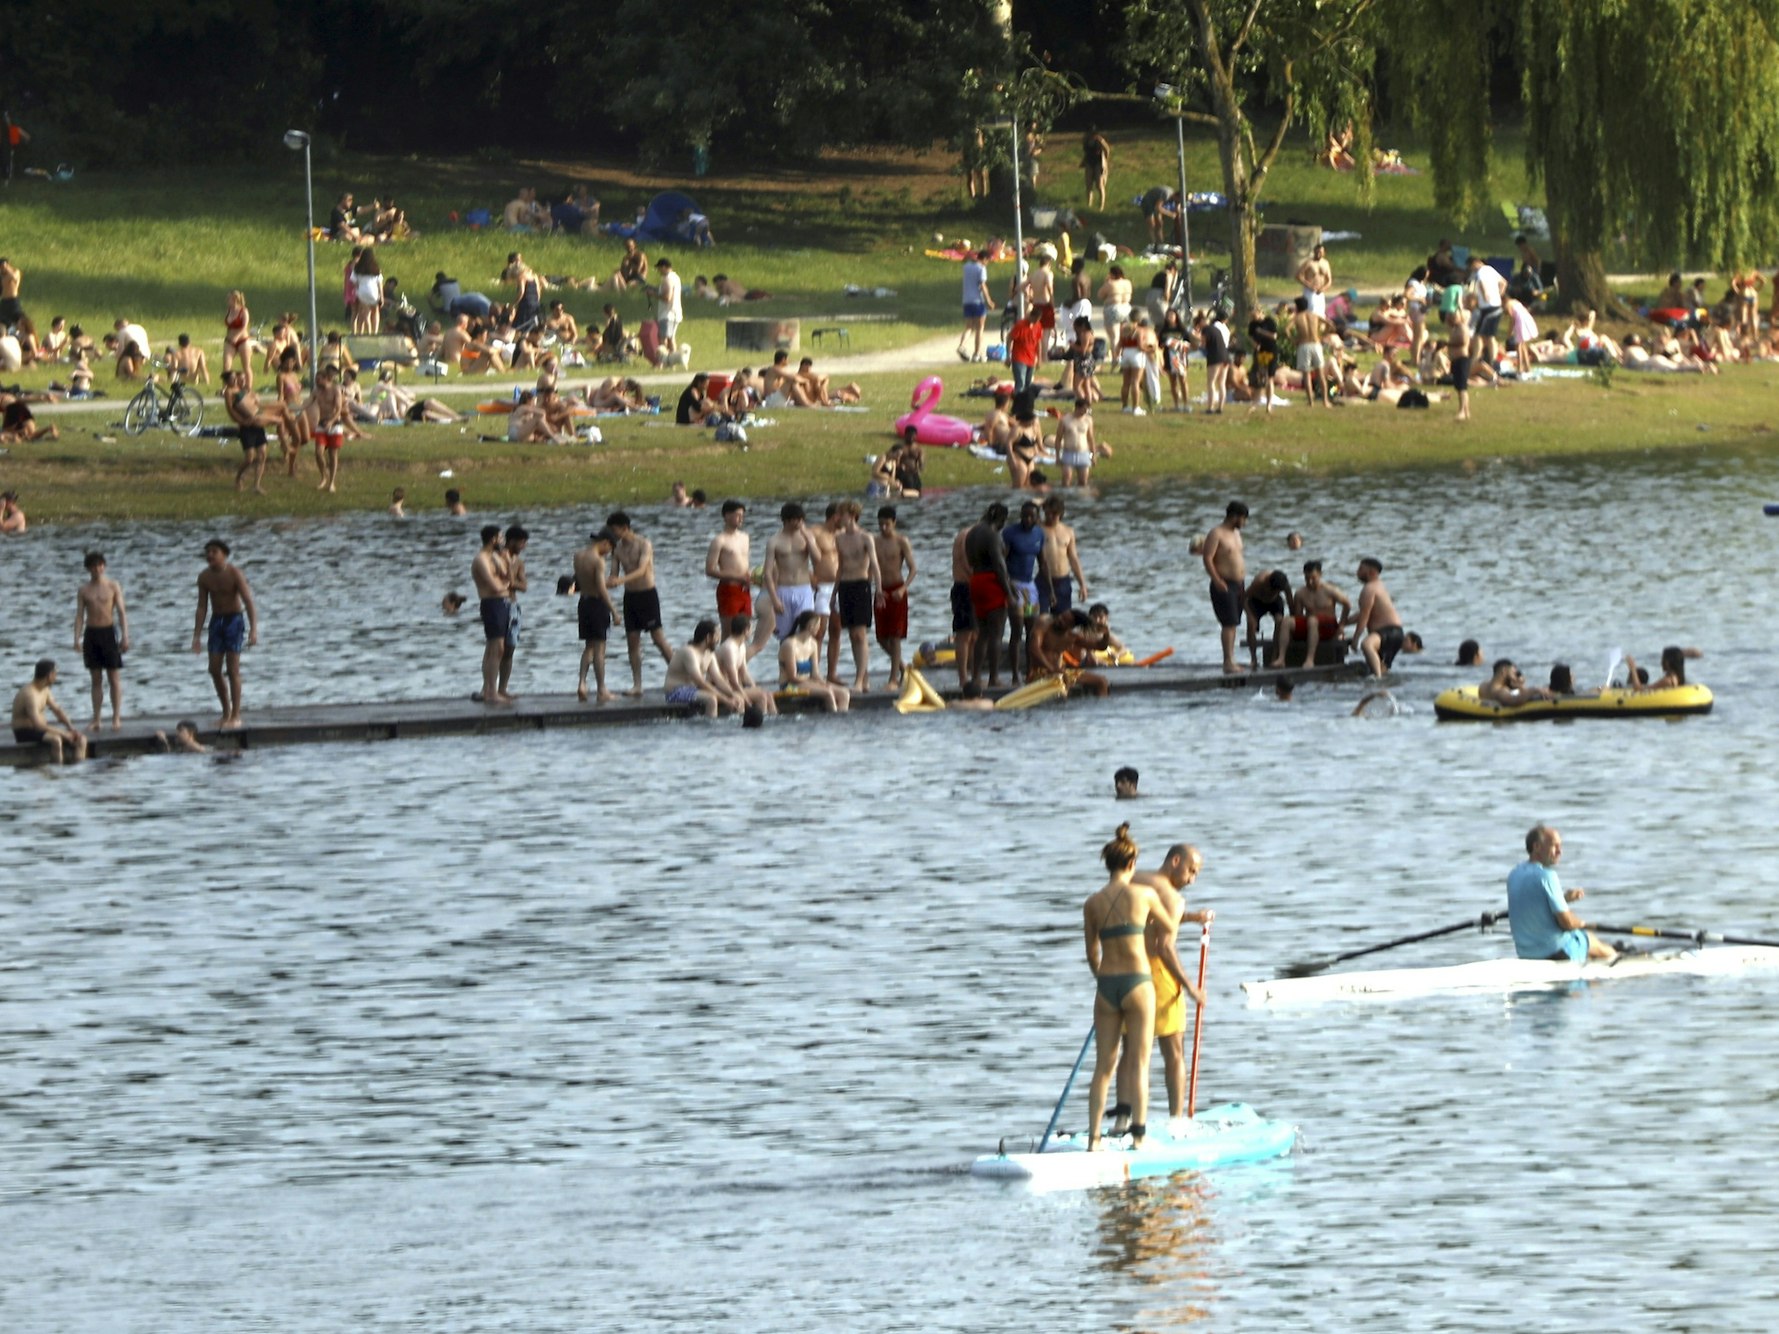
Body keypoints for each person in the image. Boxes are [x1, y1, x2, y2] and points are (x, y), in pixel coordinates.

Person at [1083, 824, 1178, 1151]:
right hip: (1138, 983)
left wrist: (1103, 979)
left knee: (1103, 1067)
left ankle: (1094, 1140)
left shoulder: (1092, 902)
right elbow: (1169, 926)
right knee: (1139, 1061)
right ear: (1132, 863)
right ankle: (1138, 1137)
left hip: (1107, 985)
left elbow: (1091, 954)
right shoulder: (1145, 895)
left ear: (1108, 864)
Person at [1121, 844, 1210, 1125]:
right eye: (1190, 871)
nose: (1191, 880)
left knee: (1130, 1050)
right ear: (1175, 861)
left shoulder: (1137, 880)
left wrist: (1193, 917)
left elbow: (1153, 918)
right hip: (1158, 976)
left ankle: (1122, 1120)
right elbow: (1164, 945)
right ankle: (1177, 1120)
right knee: (1174, 1051)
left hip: (1124, 970)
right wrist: (1190, 986)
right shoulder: (1172, 897)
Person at [1507, 825, 1616, 961]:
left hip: (1526, 953)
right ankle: (1619, 959)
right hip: (1556, 952)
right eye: (1554, 846)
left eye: (1560, 846)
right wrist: (1581, 923)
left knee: (1582, 940)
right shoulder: (1547, 876)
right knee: (1591, 940)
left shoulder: (1514, 874)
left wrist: (1564, 899)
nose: (1560, 852)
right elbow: (1567, 923)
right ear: (1536, 847)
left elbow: (1534, 905)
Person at [190, 538, 259, 730]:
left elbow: (248, 601)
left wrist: (253, 629)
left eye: (214, 551)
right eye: (208, 552)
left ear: (224, 554)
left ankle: (236, 715)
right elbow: (202, 606)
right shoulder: (204, 577)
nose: (210, 555)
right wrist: (196, 636)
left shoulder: (234, 573)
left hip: (234, 621)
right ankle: (226, 712)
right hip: (216, 622)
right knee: (214, 669)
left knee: (232, 669)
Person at [605, 511, 674, 696]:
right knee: (632, 642)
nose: (612, 534)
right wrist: (606, 581)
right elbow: (613, 573)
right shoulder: (617, 549)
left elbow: (642, 570)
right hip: (630, 598)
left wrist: (620, 581)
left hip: (647, 595)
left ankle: (681, 675)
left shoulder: (644, 544)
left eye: (614, 530)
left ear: (624, 528)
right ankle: (637, 685)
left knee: (658, 639)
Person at [73, 551, 129, 730]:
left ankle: (116, 717)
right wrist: (76, 638)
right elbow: (80, 615)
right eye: (93, 566)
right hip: (92, 633)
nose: (97, 569)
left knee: (114, 677)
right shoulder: (84, 590)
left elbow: (121, 612)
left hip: (108, 633)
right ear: (88, 568)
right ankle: (97, 718)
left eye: (99, 565)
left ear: (104, 566)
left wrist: (125, 636)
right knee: (95, 678)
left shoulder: (113, 586)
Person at [832, 500, 883, 692]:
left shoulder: (866, 537)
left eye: (842, 514)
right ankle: (864, 677)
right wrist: (834, 594)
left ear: (852, 515)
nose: (839, 518)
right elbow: (840, 567)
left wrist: (878, 588)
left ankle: (859, 680)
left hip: (861, 584)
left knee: (860, 634)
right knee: (852, 635)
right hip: (845, 585)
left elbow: (875, 564)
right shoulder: (839, 538)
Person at [964, 503, 1016, 690]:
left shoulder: (971, 534)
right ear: (1000, 520)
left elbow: (970, 560)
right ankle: (994, 678)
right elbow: (999, 566)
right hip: (991, 582)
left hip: (976, 580)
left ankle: (976, 677)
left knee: (982, 634)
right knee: (996, 633)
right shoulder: (992, 535)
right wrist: (1009, 593)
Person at [1202, 501, 1249, 674]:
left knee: (1234, 623)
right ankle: (1228, 662)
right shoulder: (1216, 533)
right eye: (1243, 519)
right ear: (1234, 516)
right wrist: (1216, 580)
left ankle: (1232, 659)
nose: (1244, 523)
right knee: (1228, 623)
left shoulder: (1236, 534)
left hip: (1239, 584)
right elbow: (1207, 558)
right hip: (1223, 583)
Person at [872, 506, 916, 690]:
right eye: (881, 524)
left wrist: (904, 588)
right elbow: (870, 567)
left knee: (895, 635)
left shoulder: (901, 541)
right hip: (881, 591)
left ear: (894, 522)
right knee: (881, 637)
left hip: (897, 589)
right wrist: (875, 588)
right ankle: (903, 667)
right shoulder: (874, 541)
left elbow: (913, 569)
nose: (883, 528)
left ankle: (893, 679)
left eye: (887, 524)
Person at [11, 659, 86, 764]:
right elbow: (38, 726)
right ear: (49, 675)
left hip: (40, 731)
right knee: (56, 740)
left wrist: (71, 728)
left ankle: (79, 767)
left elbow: (57, 710)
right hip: (24, 732)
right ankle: (58, 768)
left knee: (81, 739)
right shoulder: (29, 694)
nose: (56, 677)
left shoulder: (45, 690)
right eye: (55, 674)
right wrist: (63, 734)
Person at [1002, 500, 1046, 680]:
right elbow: (1002, 562)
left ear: (1037, 518)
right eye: (1025, 516)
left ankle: (1029, 670)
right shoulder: (1010, 533)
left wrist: (1049, 589)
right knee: (1016, 630)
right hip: (1014, 584)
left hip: (1030, 588)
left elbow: (1042, 563)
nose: (1028, 519)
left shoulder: (1039, 534)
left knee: (1032, 630)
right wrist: (1008, 586)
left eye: (1032, 516)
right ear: (1020, 516)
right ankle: (1014, 674)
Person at [764, 501, 820, 641]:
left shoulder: (807, 537)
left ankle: (806, 661)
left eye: (802, 520)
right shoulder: (774, 541)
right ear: (787, 520)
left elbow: (817, 559)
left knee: (807, 628)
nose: (800, 523)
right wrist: (774, 599)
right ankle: (786, 661)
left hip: (804, 588)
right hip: (784, 590)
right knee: (786, 634)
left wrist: (808, 539)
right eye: (797, 520)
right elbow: (767, 573)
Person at [470, 524, 514, 705]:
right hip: (491, 603)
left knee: (497, 648)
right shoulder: (481, 559)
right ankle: (490, 691)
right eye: (501, 537)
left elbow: (508, 578)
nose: (503, 541)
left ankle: (489, 689)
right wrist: (505, 586)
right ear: (493, 539)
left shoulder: (495, 557)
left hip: (502, 604)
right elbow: (495, 586)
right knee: (496, 649)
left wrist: (507, 561)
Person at [662, 619, 740, 718]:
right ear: (708, 637)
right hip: (675, 691)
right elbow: (699, 681)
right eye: (717, 636)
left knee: (737, 697)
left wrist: (732, 694)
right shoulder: (689, 652)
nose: (719, 639)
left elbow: (719, 679)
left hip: (694, 690)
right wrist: (726, 700)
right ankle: (710, 730)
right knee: (711, 699)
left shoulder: (709, 654)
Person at [778, 610, 850, 711]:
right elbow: (792, 677)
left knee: (844, 693)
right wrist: (817, 684)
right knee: (827, 693)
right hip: (789, 685)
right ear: (811, 626)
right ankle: (834, 718)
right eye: (818, 625)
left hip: (807, 682)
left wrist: (823, 682)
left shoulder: (813, 644)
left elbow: (815, 673)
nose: (819, 628)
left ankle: (841, 720)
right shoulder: (789, 645)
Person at [1350, 557, 1405, 678]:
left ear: (1372, 572)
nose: (1357, 572)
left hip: (1387, 631)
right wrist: (1344, 623)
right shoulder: (1379, 586)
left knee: (1367, 645)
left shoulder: (1369, 589)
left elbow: (1365, 616)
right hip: (1397, 633)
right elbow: (1363, 613)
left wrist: (1355, 640)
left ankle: (1377, 680)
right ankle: (1382, 680)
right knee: (1381, 666)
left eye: (1361, 569)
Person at [715, 614, 776, 718]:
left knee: (767, 693)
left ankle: (773, 720)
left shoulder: (741, 646)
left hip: (733, 687)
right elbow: (733, 681)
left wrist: (755, 687)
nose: (751, 632)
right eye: (751, 629)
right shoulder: (729, 648)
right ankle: (758, 719)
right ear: (746, 630)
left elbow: (744, 673)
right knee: (761, 696)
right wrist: (749, 704)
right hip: (722, 689)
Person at [495, 525, 529, 699]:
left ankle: (503, 688)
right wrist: (510, 582)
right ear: (512, 541)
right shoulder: (499, 558)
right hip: (499, 604)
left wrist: (512, 583)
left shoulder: (519, 563)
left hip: (514, 607)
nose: (523, 546)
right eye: (521, 543)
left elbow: (524, 586)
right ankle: (489, 689)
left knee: (510, 649)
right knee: (497, 648)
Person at [706, 499, 753, 622]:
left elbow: (744, 562)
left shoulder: (745, 537)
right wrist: (737, 577)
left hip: (745, 588)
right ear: (726, 516)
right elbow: (710, 570)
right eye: (737, 515)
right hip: (729, 589)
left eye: (742, 516)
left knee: (745, 630)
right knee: (729, 631)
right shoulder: (719, 540)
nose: (741, 519)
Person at [1289, 296, 1333, 408]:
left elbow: (1286, 329)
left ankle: (1310, 402)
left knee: (1306, 375)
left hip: (1303, 345)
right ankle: (1325, 401)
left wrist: (1293, 340)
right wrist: (1322, 335)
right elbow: (1330, 324)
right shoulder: (1314, 316)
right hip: (1316, 344)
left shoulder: (1297, 317)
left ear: (1297, 307)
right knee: (1321, 375)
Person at [1478, 658, 1553, 706]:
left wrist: (1520, 687)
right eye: (1513, 673)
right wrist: (1535, 690)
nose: (1514, 677)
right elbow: (1514, 701)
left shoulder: (1483, 685)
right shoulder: (1500, 691)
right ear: (1504, 671)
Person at [1623, 646, 1690, 692]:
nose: (1661, 663)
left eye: (1663, 659)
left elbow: (1638, 689)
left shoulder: (1668, 681)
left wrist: (1633, 669)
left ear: (1667, 663)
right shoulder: (1677, 678)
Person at [654, 258, 684, 357]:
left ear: (663, 267)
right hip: (676, 312)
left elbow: (667, 297)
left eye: (659, 268)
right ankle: (673, 361)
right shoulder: (676, 277)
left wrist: (653, 294)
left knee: (663, 338)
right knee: (671, 338)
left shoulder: (667, 279)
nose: (658, 271)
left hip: (667, 314)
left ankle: (663, 361)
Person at [1296, 243, 1332, 316]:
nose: (1318, 254)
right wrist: (1309, 286)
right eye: (1317, 252)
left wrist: (1323, 288)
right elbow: (1298, 276)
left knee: (1321, 311)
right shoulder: (1309, 263)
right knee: (1312, 310)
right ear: (1314, 252)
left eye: (1320, 252)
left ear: (1324, 253)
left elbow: (1329, 280)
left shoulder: (1325, 263)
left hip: (1320, 291)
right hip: (1310, 291)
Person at [1082, 127, 1112, 210]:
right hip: (1089, 162)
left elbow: (1107, 149)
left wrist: (1105, 160)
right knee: (1088, 185)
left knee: (1099, 185)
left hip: (1098, 162)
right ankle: (1089, 204)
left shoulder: (1099, 140)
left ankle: (1101, 206)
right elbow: (1085, 150)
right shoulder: (1085, 140)